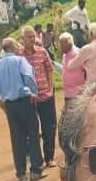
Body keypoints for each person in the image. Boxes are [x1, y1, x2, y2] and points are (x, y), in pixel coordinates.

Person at [0, 38, 43, 181]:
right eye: (17, 45)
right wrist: (34, 93)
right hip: (24, 101)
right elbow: (29, 77)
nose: (19, 47)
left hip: (10, 105)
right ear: (12, 47)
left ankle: (21, 173)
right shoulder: (20, 61)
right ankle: (35, 170)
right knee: (33, 135)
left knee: (17, 139)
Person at [19, 26, 59, 170]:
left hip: (46, 96)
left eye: (33, 36)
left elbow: (49, 70)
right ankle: (37, 160)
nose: (32, 39)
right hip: (29, 99)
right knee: (32, 131)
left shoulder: (42, 52)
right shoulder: (19, 56)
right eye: (28, 37)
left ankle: (50, 157)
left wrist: (51, 89)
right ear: (22, 39)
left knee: (49, 128)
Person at [59, 33, 87, 108]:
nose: (60, 47)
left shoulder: (78, 54)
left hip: (78, 93)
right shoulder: (64, 55)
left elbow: (86, 71)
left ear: (69, 43)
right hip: (68, 93)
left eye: (62, 44)